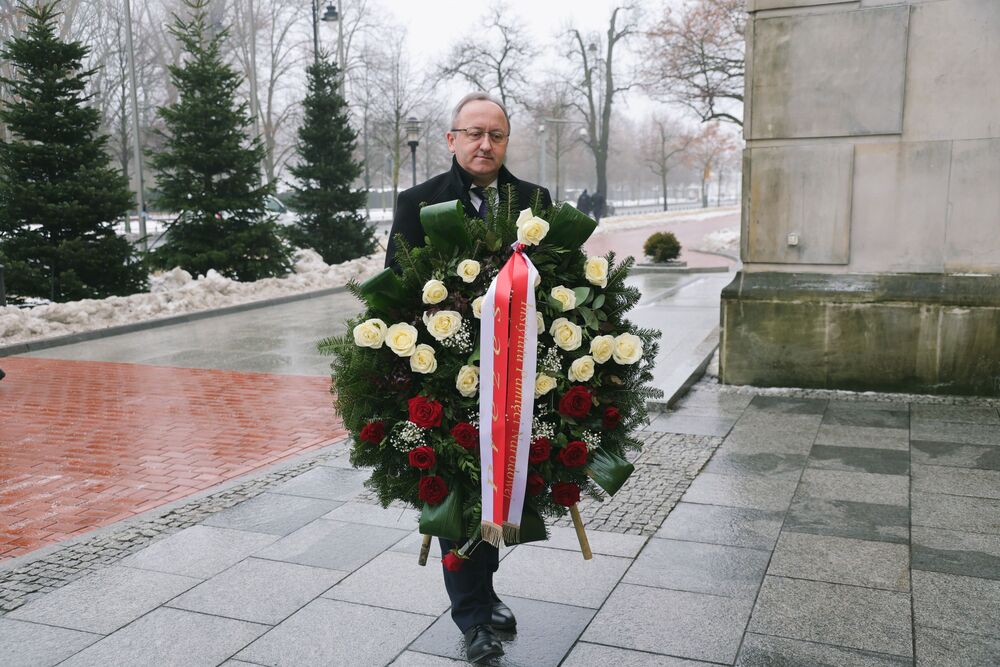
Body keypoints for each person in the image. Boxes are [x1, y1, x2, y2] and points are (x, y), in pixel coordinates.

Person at [385, 92, 552, 663]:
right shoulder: (419, 202)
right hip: (446, 382)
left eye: (497, 135)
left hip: (518, 378)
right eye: (474, 133)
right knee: (459, 495)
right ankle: (475, 620)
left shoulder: (533, 201)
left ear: (507, 142)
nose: (486, 144)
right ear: (451, 139)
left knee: (502, 487)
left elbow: (554, 284)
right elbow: (396, 290)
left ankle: (482, 589)